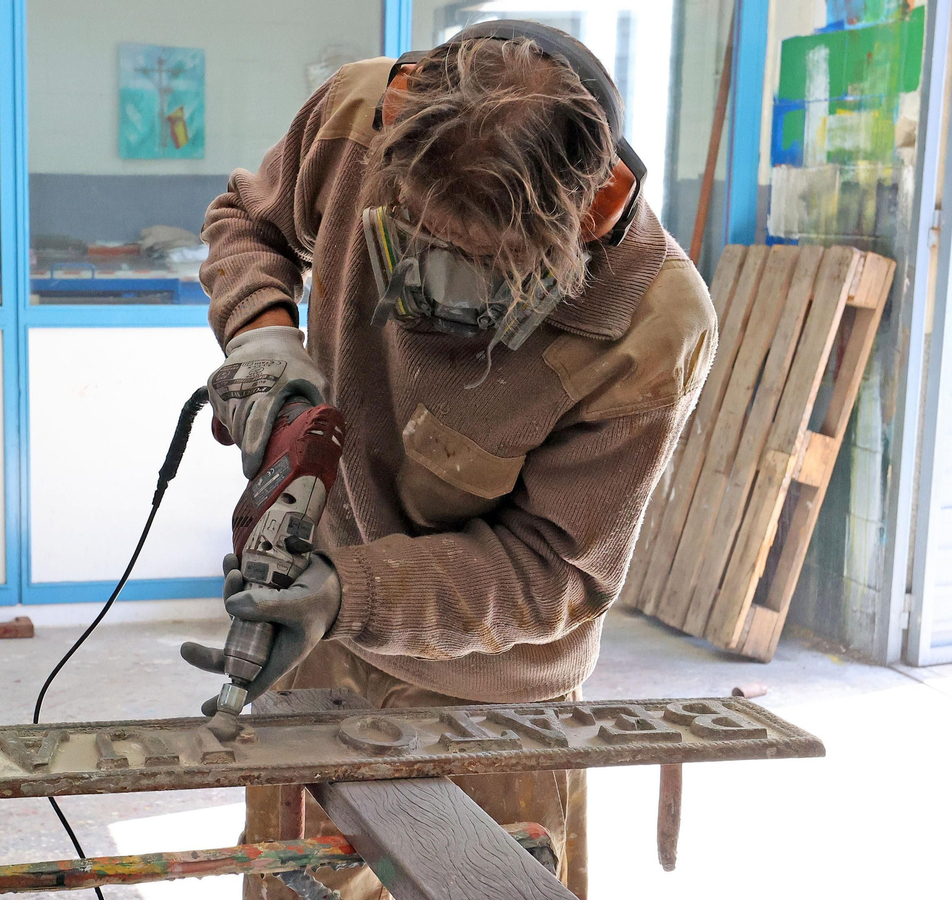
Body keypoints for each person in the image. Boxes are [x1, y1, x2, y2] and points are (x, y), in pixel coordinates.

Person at [181, 21, 717, 900]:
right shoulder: (358, 118)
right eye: (417, 239)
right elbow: (248, 218)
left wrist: (356, 594)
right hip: (312, 641)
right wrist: (263, 335)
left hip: (487, 692)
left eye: (481, 267)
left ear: (582, 223)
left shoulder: (653, 327)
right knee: (291, 884)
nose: (428, 293)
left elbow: (554, 574)